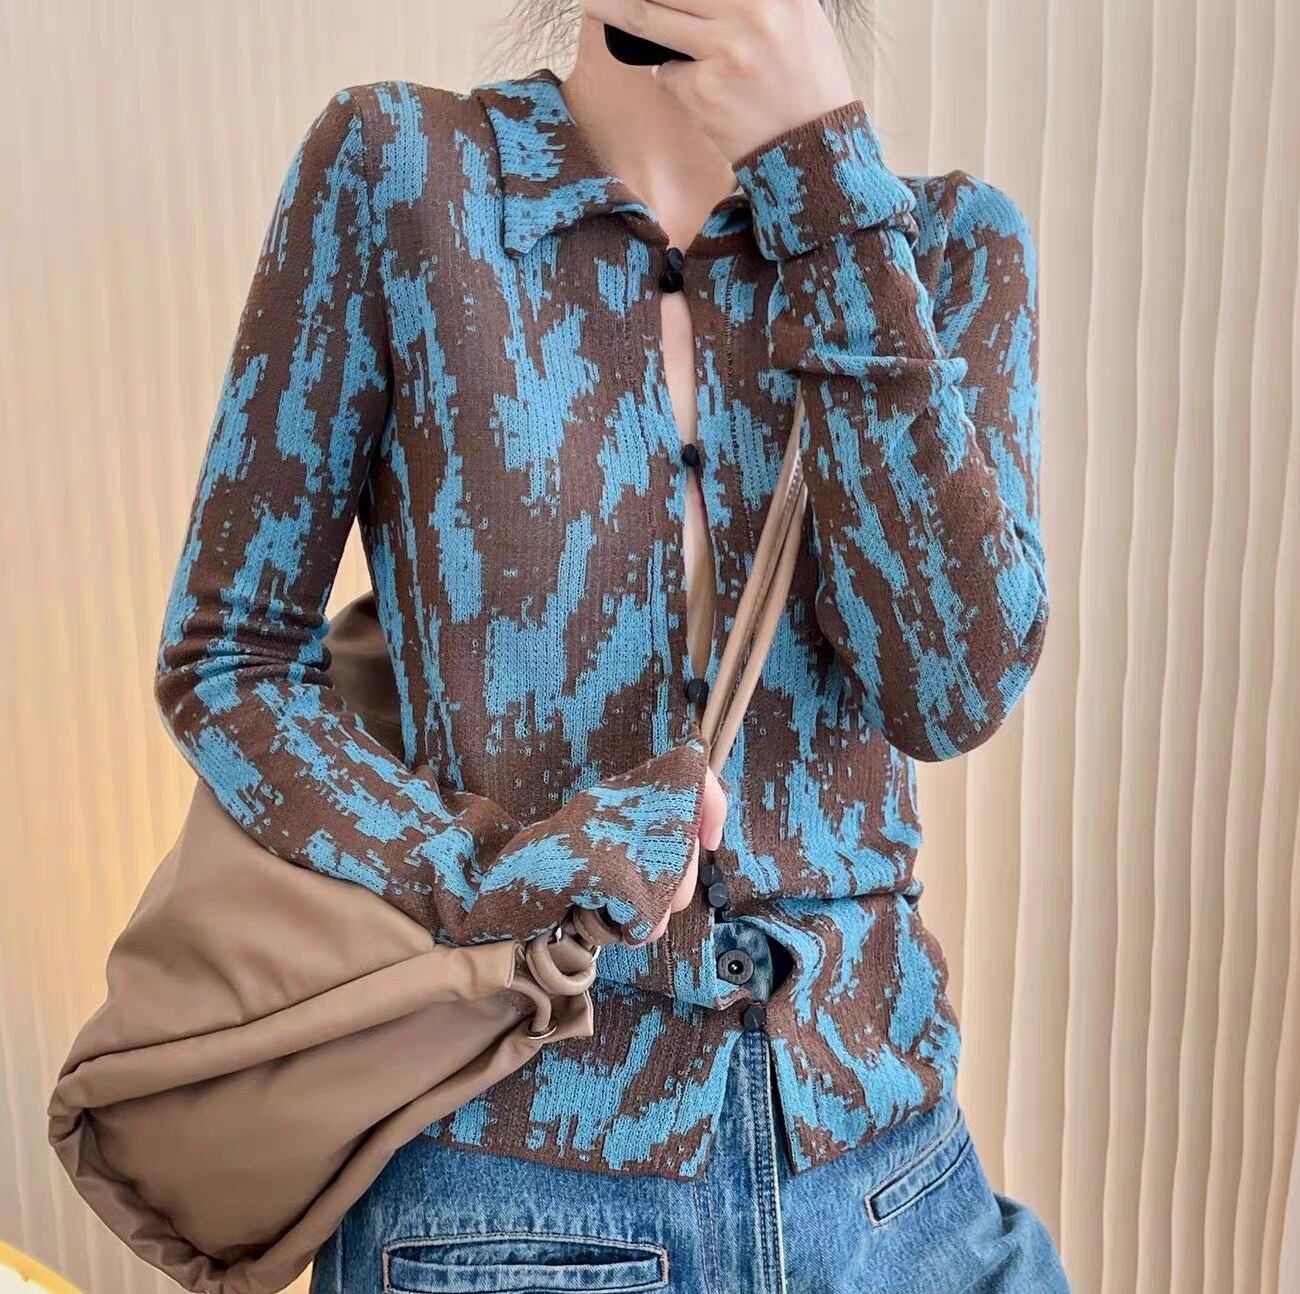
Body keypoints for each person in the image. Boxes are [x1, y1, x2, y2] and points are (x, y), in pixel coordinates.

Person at [152, 1, 1070, 1288]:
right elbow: (229, 660)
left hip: (894, 1190)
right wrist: (497, 871)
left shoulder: (946, 245)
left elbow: (951, 688)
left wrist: (822, 181)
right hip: (503, 1197)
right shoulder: (401, 173)